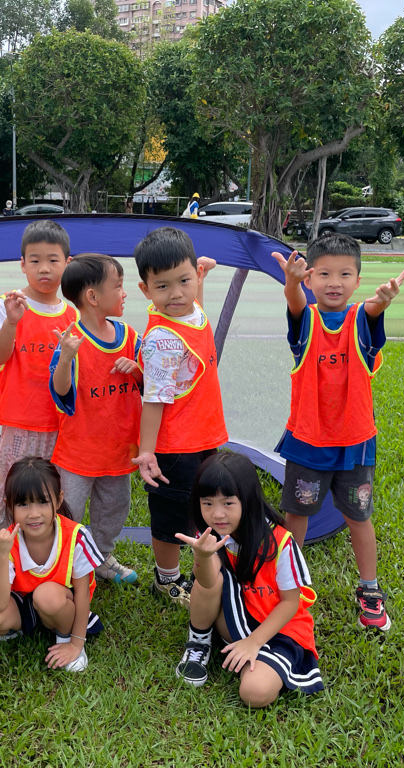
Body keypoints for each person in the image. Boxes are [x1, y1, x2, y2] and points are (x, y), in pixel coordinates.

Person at [271, 234, 404, 631]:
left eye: (345, 274)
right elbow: (295, 304)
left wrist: (384, 301)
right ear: (310, 279)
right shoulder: (306, 320)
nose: (334, 282)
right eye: (324, 274)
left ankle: (370, 589)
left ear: (357, 280)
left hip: (355, 444)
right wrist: (291, 284)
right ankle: (288, 585)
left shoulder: (362, 320)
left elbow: (372, 309)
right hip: (308, 442)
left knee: (359, 517)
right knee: (296, 516)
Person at [174, 452, 323, 706]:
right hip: (233, 616)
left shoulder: (280, 542)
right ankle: (198, 643)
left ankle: (250, 657)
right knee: (211, 579)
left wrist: (254, 642)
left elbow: (290, 603)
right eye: (207, 503)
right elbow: (207, 583)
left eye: (228, 503)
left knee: (255, 693)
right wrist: (202, 555)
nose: (217, 514)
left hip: (278, 629)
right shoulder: (210, 534)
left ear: (248, 500)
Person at [132, 227, 222, 607]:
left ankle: (206, 565)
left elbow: (195, 305)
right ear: (145, 290)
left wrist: (203, 275)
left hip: (205, 434)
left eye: (184, 281)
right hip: (174, 446)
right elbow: (153, 400)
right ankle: (166, 579)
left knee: (205, 504)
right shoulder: (163, 340)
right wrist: (147, 452)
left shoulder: (192, 310)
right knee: (171, 515)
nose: (176, 294)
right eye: (163, 286)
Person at [0, 457, 104, 673]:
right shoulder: (7, 540)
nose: (34, 513)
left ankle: (64, 638)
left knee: (46, 595)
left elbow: (83, 594)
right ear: (9, 505)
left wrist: (76, 643)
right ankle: (13, 630)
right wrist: (1, 555)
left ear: (59, 500)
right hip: (24, 602)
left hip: (63, 606)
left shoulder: (76, 536)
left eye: (43, 502)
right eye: (23, 504)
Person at [49, 254, 142, 584]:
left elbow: (150, 383)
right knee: (69, 510)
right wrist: (66, 359)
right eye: (118, 286)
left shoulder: (129, 336)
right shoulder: (71, 340)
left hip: (119, 449)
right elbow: (60, 391)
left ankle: (102, 556)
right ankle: (61, 561)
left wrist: (137, 369)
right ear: (92, 296)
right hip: (79, 453)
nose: (124, 293)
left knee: (115, 506)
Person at [0, 220, 77, 520]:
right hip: (20, 420)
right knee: (11, 488)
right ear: (23, 264)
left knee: (53, 490)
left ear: (68, 263)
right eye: (35, 261)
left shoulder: (73, 314)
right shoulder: (10, 305)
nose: (44, 269)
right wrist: (11, 322)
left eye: (53, 260)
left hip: (59, 423)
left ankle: (51, 542)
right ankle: (5, 539)